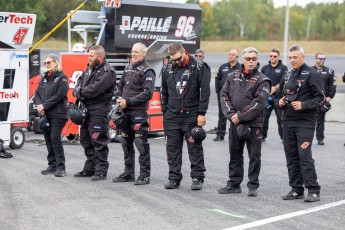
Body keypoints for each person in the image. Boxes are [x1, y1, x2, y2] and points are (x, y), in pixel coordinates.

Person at [218, 47, 270, 197]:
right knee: (234, 153)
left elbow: (259, 102)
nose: (251, 61)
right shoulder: (232, 76)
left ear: (257, 60)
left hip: (254, 124)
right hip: (235, 122)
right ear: (242, 60)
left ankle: (253, 185)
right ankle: (234, 184)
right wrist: (232, 115)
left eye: (254, 59)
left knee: (254, 155)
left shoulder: (263, 80)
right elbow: (223, 95)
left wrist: (240, 116)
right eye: (248, 59)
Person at [276, 45, 324, 202]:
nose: (292, 60)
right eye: (290, 58)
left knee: (304, 156)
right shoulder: (287, 75)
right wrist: (281, 102)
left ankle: (313, 190)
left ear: (303, 57)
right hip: (288, 121)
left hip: (305, 123)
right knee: (291, 157)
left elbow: (320, 99)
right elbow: (278, 96)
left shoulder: (312, 74)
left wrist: (303, 105)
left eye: (295, 57)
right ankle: (296, 189)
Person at [161, 42, 210, 190]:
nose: (175, 62)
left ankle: (197, 177)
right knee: (172, 148)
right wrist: (165, 111)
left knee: (194, 147)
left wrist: (202, 113)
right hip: (172, 115)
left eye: (177, 59)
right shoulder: (167, 67)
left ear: (184, 52)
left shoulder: (199, 66)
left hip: (192, 114)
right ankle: (174, 178)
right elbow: (163, 91)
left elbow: (205, 91)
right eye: (172, 59)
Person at [112, 43, 156, 185]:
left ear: (144, 53)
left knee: (140, 143)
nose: (134, 54)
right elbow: (120, 87)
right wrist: (119, 98)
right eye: (132, 51)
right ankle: (128, 173)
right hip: (124, 112)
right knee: (125, 142)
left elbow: (148, 93)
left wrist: (128, 102)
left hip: (138, 113)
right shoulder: (128, 67)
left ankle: (144, 175)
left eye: (137, 51)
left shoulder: (148, 70)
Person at [73, 45, 117, 181]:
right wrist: (78, 90)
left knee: (99, 140)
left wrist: (79, 92)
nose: (89, 58)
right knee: (85, 140)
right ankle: (90, 167)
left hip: (99, 110)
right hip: (86, 110)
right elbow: (78, 83)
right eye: (89, 55)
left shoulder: (108, 71)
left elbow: (95, 89)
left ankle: (101, 170)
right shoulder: (89, 68)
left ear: (100, 56)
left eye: (91, 56)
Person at [34, 54, 69, 177]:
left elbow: (59, 95)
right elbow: (37, 94)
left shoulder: (62, 78)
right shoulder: (44, 78)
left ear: (55, 63)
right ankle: (52, 165)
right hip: (46, 114)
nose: (46, 65)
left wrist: (44, 106)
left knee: (55, 138)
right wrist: (40, 106)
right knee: (48, 139)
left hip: (58, 114)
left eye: (49, 62)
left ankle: (61, 167)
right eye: (45, 63)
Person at [261, 49, 288, 142]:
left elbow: (284, 81)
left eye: (274, 56)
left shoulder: (283, 68)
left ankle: (284, 137)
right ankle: (262, 136)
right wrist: (268, 89)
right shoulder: (264, 68)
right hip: (267, 98)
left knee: (280, 119)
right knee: (264, 118)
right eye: (271, 56)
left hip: (278, 98)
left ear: (278, 57)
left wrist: (275, 88)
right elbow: (261, 81)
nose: (272, 57)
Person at [214, 49, 241, 141]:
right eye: (229, 54)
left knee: (236, 114)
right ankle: (220, 134)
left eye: (233, 55)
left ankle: (236, 134)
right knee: (222, 114)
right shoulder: (223, 67)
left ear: (237, 56)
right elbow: (217, 79)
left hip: (236, 95)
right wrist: (218, 92)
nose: (231, 56)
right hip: (223, 95)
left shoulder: (241, 67)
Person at [312, 53, 336, 145]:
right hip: (311, 100)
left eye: (324, 58)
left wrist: (330, 97)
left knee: (320, 121)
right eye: (320, 58)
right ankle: (306, 138)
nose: (322, 60)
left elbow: (333, 85)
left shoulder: (329, 71)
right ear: (316, 59)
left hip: (322, 100)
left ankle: (320, 138)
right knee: (308, 120)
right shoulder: (310, 70)